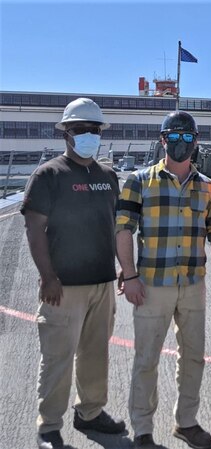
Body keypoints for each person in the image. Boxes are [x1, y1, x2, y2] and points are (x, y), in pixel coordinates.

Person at [116, 110, 211, 449]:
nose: (181, 143)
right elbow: (123, 230)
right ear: (163, 140)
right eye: (174, 137)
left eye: (187, 137)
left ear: (196, 142)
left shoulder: (207, 188)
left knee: (193, 356)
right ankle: (143, 429)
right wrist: (130, 275)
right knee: (146, 358)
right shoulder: (138, 181)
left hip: (192, 285)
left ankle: (186, 422)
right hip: (151, 285)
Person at [22, 97, 125, 449]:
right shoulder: (49, 175)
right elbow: (35, 229)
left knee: (96, 353)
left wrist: (125, 271)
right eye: (80, 129)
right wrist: (48, 276)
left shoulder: (108, 175)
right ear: (66, 133)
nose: (88, 135)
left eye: (94, 130)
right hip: (63, 286)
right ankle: (49, 425)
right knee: (57, 357)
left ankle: (91, 412)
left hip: (102, 282)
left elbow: (116, 228)